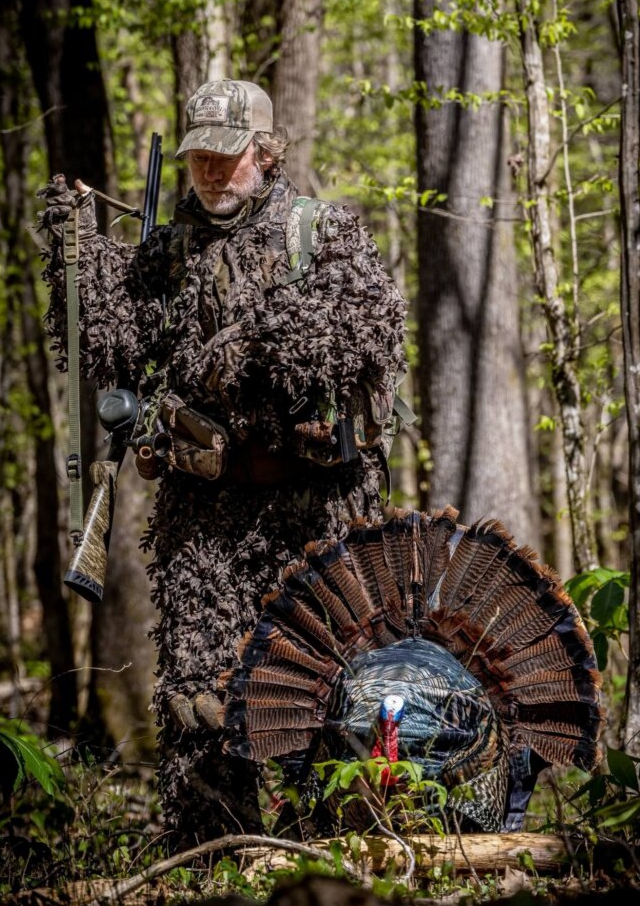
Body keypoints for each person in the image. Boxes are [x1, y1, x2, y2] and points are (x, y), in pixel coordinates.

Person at [36, 79, 408, 847]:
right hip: (202, 519)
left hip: (311, 512)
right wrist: (75, 252)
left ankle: (334, 853)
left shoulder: (320, 231)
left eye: (227, 156)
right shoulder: (168, 250)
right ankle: (215, 862)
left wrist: (249, 344)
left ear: (265, 155)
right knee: (196, 703)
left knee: (325, 686)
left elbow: (364, 325)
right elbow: (109, 341)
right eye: (199, 156)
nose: (211, 170)